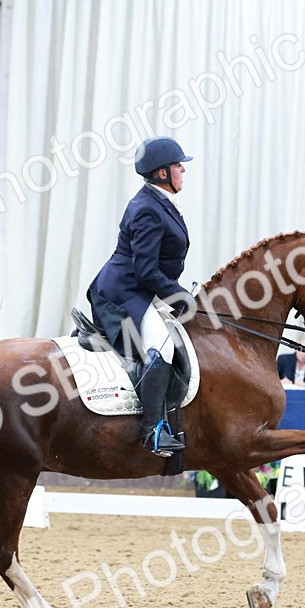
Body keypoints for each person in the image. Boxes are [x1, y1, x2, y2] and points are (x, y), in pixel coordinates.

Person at [86, 136, 193, 457]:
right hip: (123, 294)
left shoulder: (157, 202)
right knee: (163, 348)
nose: (183, 171)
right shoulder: (147, 209)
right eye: (178, 166)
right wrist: (179, 296)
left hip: (140, 290)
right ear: (162, 173)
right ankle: (154, 432)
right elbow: (145, 271)